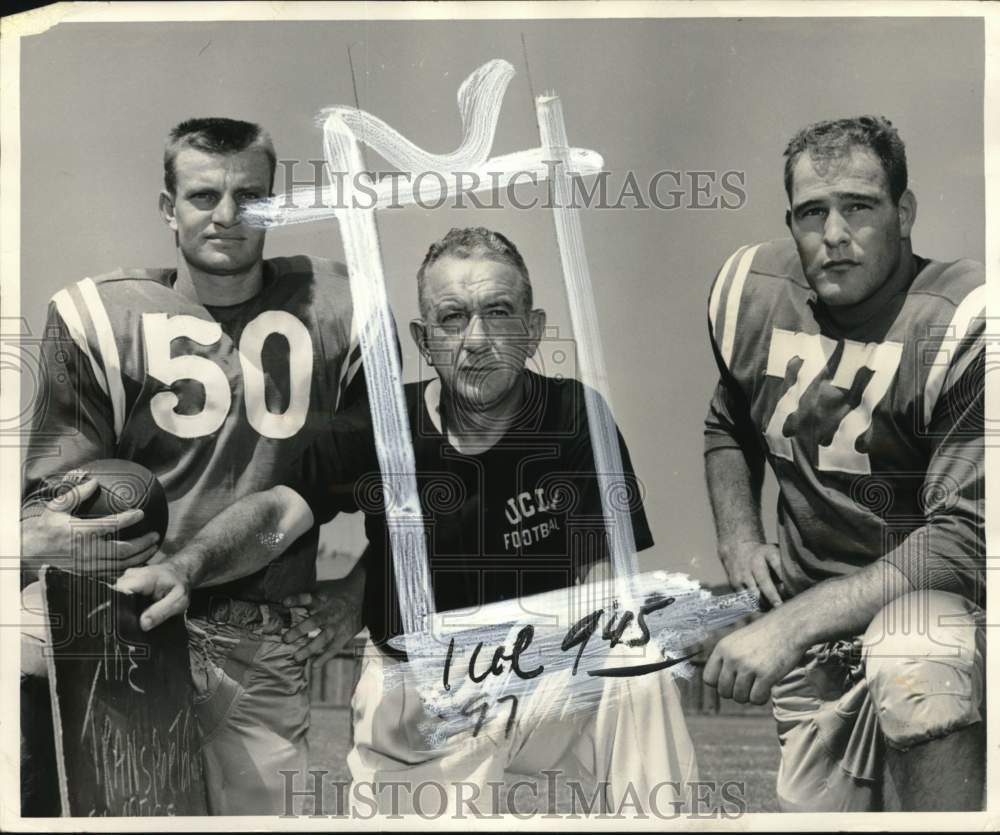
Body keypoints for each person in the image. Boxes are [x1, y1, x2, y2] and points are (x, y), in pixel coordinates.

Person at [236, 227, 700, 814]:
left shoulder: (574, 415)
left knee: (635, 657)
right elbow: (281, 515)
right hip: (422, 682)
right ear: (424, 340)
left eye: (498, 313)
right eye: (452, 318)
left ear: (532, 331)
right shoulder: (381, 425)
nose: (476, 340)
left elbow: (603, 587)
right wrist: (188, 567)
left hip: (538, 668)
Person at [20, 117, 368, 815]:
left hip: (261, 632)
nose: (228, 216)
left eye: (251, 196)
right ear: (168, 208)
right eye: (205, 195)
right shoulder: (102, 315)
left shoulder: (341, 307)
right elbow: (48, 511)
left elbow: (397, 486)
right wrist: (33, 540)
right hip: (127, 626)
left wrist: (356, 589)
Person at [701, 115, 984, 811]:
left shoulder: (961, 318)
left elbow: (967, 539)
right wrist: (740, 537)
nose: (834, 234)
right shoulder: (757, 293)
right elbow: (728, 420)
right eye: (812, 213)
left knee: (914, 653)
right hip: (818, 644)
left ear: (904, 211)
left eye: (859, 206)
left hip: (951, 622)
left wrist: (788, 623)